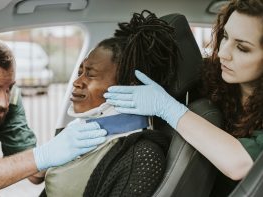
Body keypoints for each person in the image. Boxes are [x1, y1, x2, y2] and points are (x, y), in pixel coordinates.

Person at [104, 0, 263, 195]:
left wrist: (168, 108)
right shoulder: (209, 79)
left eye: (242, 48)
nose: (222, 53)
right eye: (225, 37)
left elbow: (242, 163)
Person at [0, 37, 107, 197]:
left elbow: (35, 173)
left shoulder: (6, 99)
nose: (4, 102)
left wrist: (78, 153)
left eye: (9, 88)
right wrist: (42, 155)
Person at [41, 10, 176, 197]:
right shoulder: (76, 131)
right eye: (80, 71)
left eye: (90, 74)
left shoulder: (143, 155)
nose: (77, 82)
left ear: (129, 86)